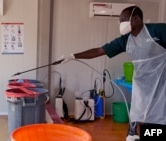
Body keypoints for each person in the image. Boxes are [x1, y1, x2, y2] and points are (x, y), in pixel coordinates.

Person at [61, 6, 166, 141]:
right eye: (120, 21)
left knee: (159, 117)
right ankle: (136, 133)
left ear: (137, 19)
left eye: (124, 20)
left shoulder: (157, 30)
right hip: (142, 83)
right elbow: (99, 51)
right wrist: (73, 56)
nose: (121, 24)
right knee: (142, 113)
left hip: (162, 81)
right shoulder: (125, 40)